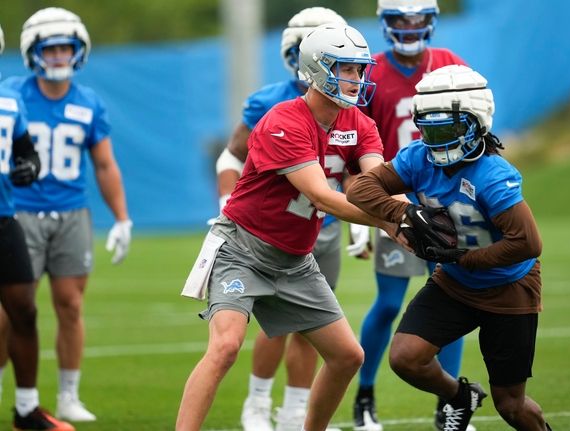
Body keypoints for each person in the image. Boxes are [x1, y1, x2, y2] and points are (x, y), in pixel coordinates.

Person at [176, 23, 397, 431]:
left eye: (359, 70)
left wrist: (411, 214)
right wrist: (395, 221)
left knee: (349, 356)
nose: (356, 79)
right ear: (316, 68)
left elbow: (378, 183)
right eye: (346, 69)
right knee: (225, 347)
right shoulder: (283, 120)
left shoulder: (360, 123)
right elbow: (323, 196)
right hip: (243, 250)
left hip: (296, 260)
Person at [348, 64, 552, 431]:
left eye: (449, 128)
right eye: (430, 128)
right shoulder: (417, 157)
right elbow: (360, 189)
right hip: (455, 283)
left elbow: (527, 243)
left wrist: (464, 258)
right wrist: (405, 211)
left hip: (509, 288)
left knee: (511, 405)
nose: (438, 140)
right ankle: (460, 397)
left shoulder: (493, 175)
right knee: (406, 357)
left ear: (476, 123)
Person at [211, 7, 357, 431]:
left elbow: (356, 169)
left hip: (323, 227)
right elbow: (231, 155)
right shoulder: (270, 103)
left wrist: (364, 225)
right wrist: (226, 197)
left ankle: (297, 410)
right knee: (273, 328)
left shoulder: (349, 105)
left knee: (313, 329)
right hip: (267, 230)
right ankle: (257, 402)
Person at [0, 7, 132, 423]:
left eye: (65, 48)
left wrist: (122, 217)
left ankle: (68, 395)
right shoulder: (10, 93)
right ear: (31, 51)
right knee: (8, 311)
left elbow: (105, 165)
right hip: (19, 212)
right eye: (50, 48)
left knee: (70, 306)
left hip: (72, 213)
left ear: (78, 51)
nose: (58, 56)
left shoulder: (89, 102)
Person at [353, 1, 470, 430]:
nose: (410, 27)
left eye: (417, 18)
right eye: (400, 20)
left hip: (448, 204)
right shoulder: (373, 74)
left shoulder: (451, 66)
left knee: (455, 303)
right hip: (397, 206)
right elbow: (356, 146)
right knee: (387, 305)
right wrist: (363, 216)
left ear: (431, 20)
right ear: (385, 24)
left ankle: (450, 405)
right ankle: (365, 394)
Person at [0, 23, 75, 431]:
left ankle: (26, 410)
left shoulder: (9, 103)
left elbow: (27, 154)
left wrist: (29, 167)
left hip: (4, 219)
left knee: (24, 312)